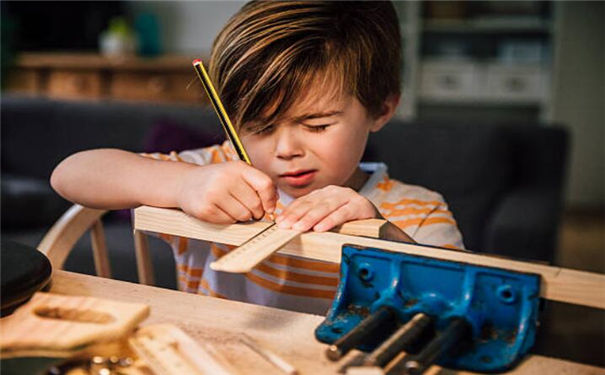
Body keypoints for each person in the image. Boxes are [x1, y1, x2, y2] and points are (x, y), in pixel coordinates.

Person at [51, 1, 464, 314]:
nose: (285, 149)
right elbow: (70, 174)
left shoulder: (419, 212)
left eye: (317, 125)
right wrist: (181, 184)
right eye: (260, 128)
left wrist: (384, 236)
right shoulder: (216, 173)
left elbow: (467, 310)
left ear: (382, 109)